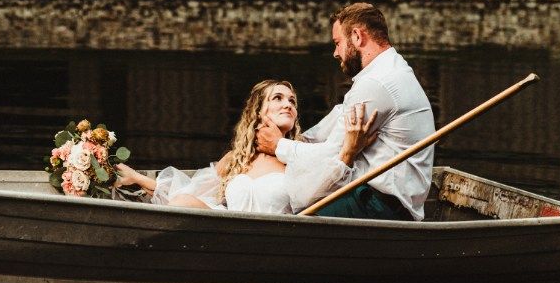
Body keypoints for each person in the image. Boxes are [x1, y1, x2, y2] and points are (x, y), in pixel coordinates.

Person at [256, 2, 435, 220]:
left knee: (294, 217)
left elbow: (335, 155)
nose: (335, 53)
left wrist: (279, 145)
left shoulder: (378, 83)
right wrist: (299, 139)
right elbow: (340, 116)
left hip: (380, 205)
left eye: (338, 43)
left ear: (357, 37)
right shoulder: (389, 69)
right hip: (378, 198)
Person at [115, 79, 377, 214]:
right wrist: (136, 177)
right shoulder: (237, 158)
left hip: (267, 239)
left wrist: (350, 152)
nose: (288, 104)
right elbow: (190, 189)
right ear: (259, 111)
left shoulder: (299, 153)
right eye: (278, 98)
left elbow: (327, 185)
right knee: (183, 201)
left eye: (293, 101)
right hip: (224, 231)